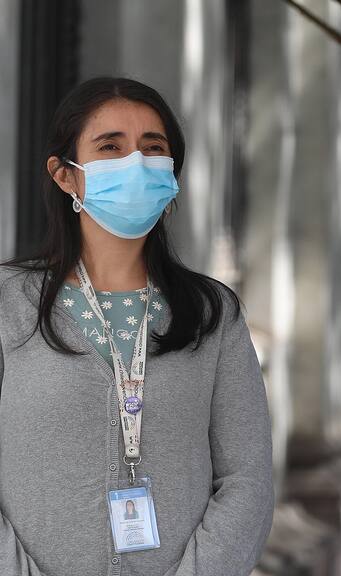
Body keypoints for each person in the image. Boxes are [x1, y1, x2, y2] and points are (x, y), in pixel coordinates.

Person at [0, 77, 273, 575]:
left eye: (153, 148)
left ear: (172, 174)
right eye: (111, 147)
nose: (136, 163)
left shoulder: (214, 314)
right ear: (65, 176)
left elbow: (247, 478)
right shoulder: (7, 303)